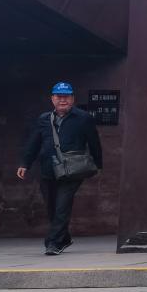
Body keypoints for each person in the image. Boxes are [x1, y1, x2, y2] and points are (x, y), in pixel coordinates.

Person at [18, 82, 103, 255]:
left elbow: (94, 142)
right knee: (51, 206)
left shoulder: (83, 118)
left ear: (73, 99)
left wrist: (98, 164)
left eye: (66, 96)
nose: (63, 100)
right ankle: (64, 238)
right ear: (52, 99)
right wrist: (25, 163)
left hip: (72, 170)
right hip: (48, 169)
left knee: (62, 206)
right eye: (59, 96)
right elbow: (34, 142)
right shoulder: (44, 119)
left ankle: (54, 243)